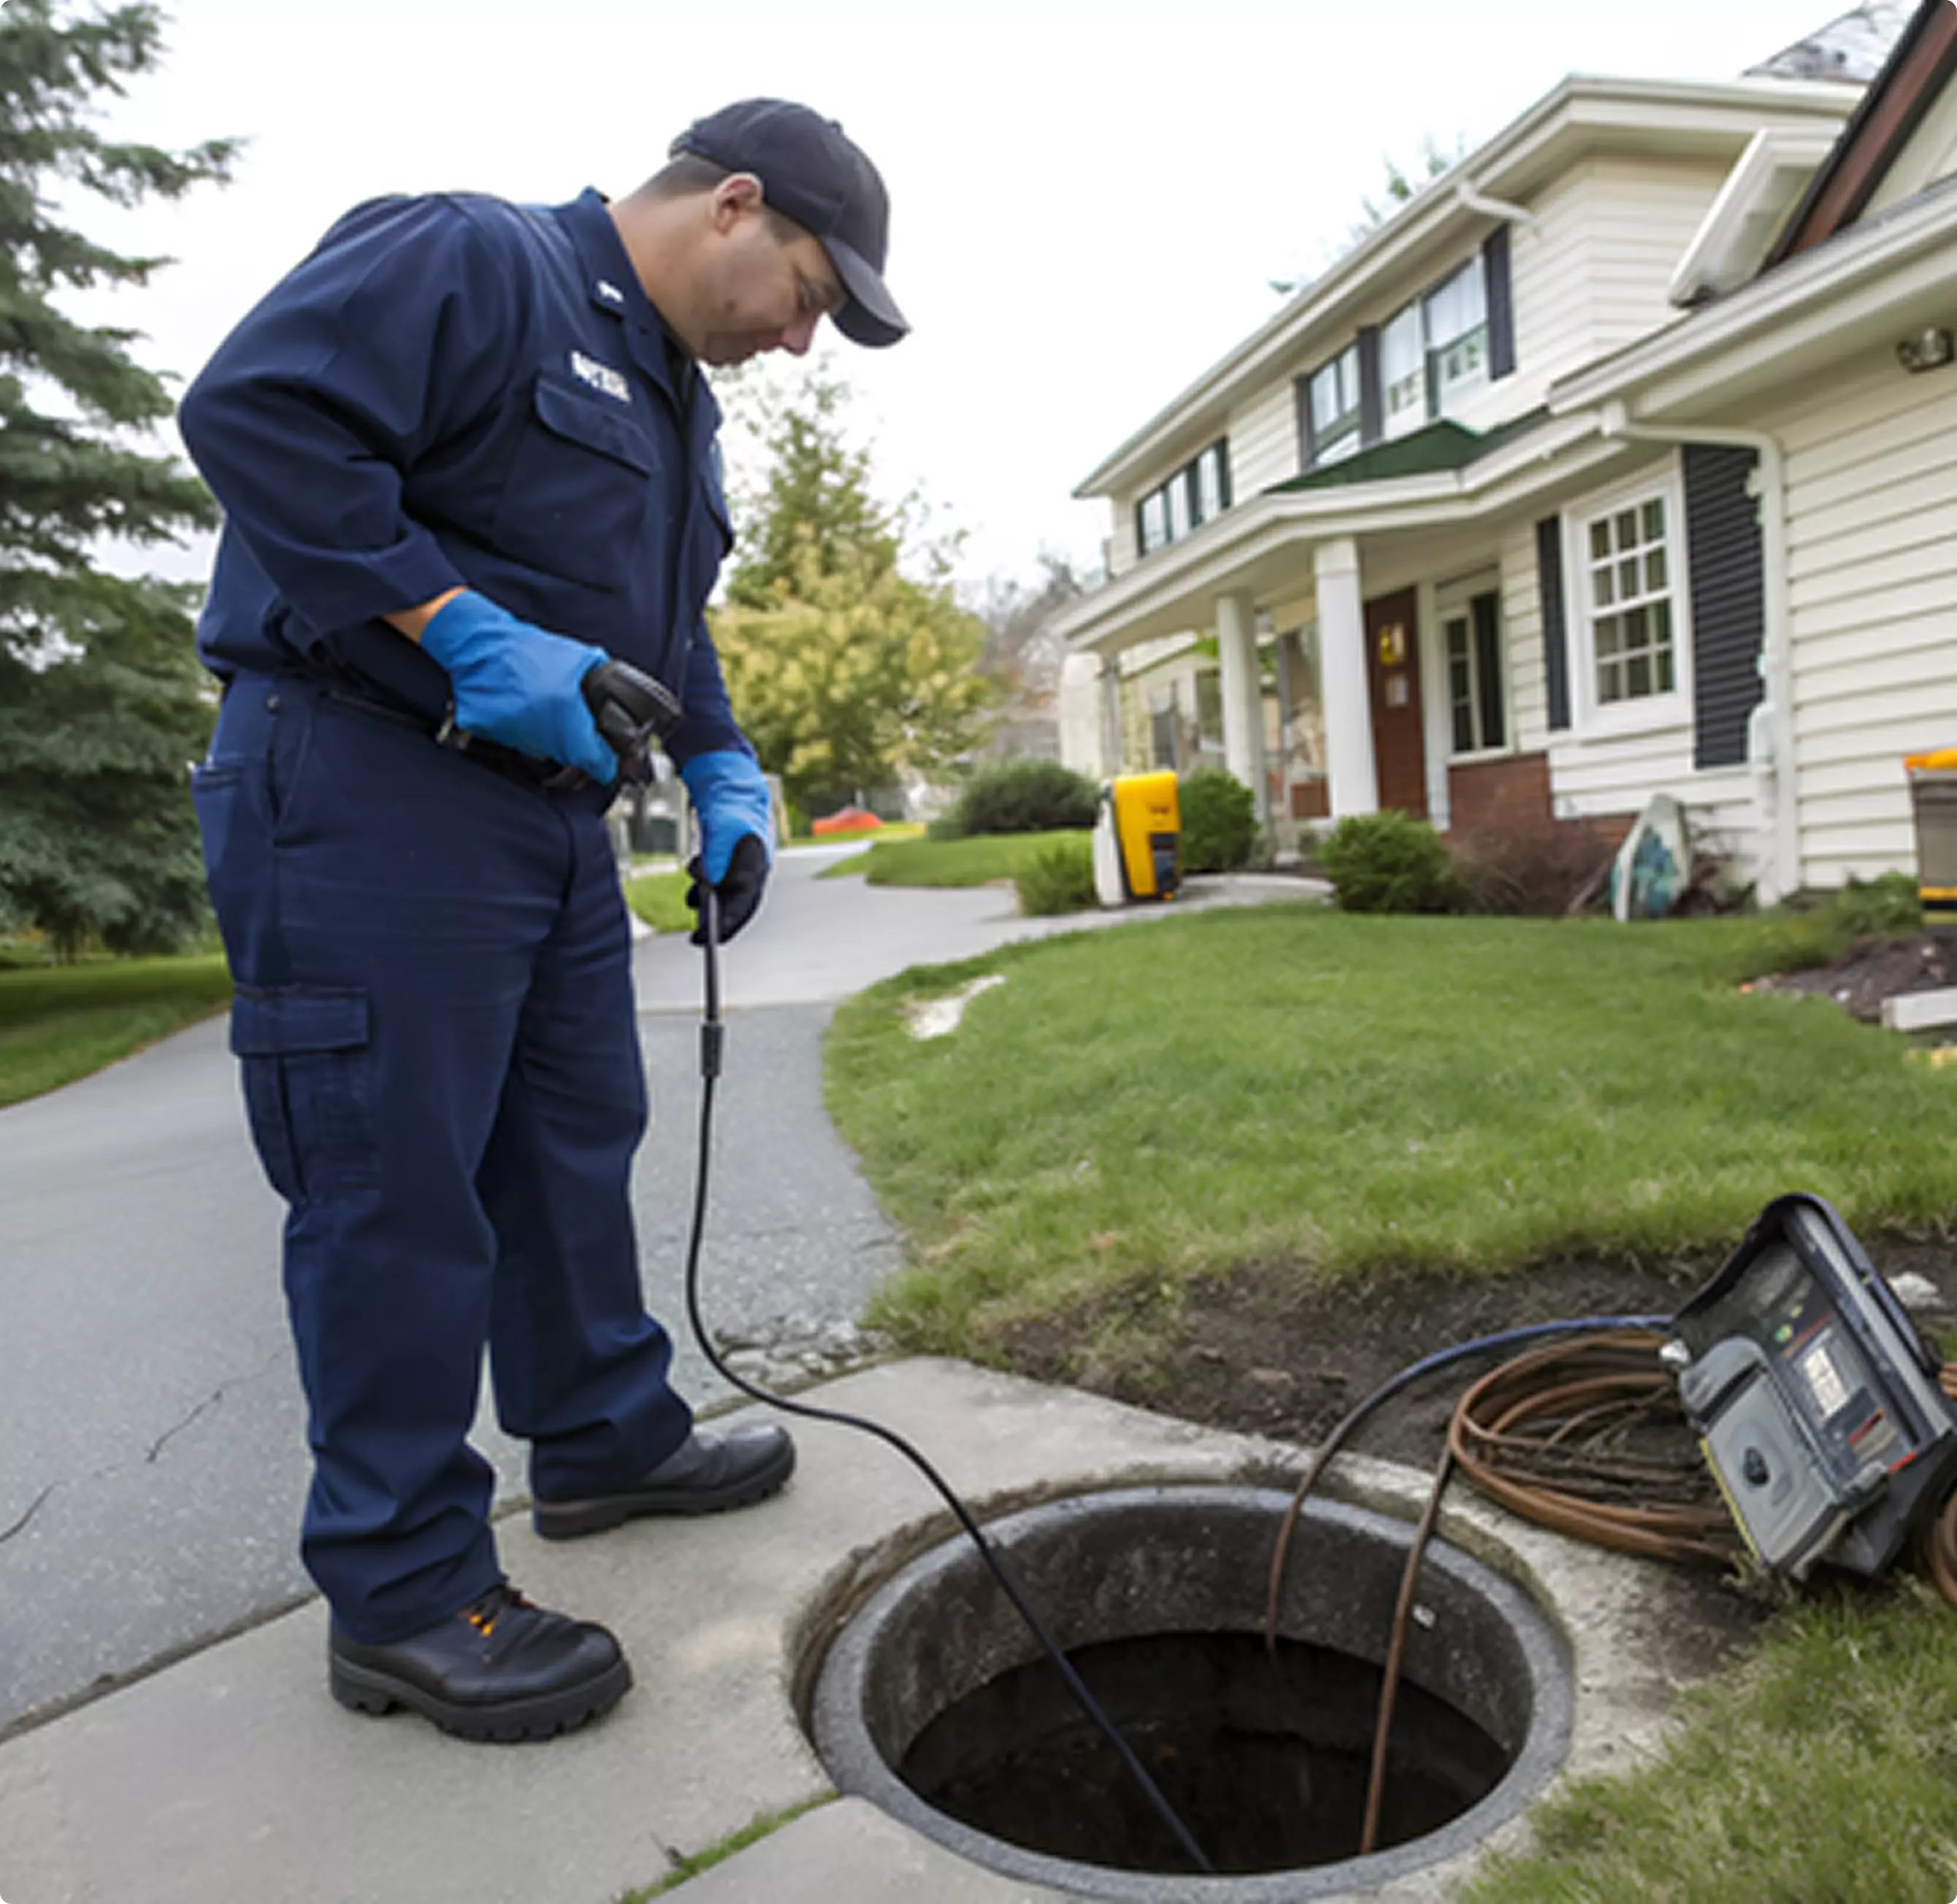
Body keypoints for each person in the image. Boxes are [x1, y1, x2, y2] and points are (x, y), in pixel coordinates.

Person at [178, 100, 907, 1743]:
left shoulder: (674, 410)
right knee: (395, 1186)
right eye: (803, 291)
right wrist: (461, 631)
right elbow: (256, 409)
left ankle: (598, 1433)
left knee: (576, 1141)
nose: (798, 339)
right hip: (366, 775)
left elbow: (667, 622)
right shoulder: (473, 257)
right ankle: (405, 1588)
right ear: (732, 204)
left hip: (549, 819)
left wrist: (723, 765)